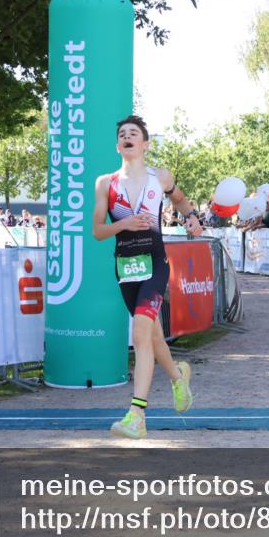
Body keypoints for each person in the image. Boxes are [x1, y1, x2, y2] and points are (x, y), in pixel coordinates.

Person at [92, 114, 196, 439]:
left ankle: (136, 416)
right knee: (151, 336)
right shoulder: (105, 183)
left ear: (145, 144)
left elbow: (180, 199)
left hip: (155, 263)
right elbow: (98, 231)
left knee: (139, 333)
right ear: (117, 146)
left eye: (133, 133)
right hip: (126, 266)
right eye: (122, 134)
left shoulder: (160, 177)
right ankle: (178, 377)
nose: (127, 137)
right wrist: (124, 224)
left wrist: (191, 217)